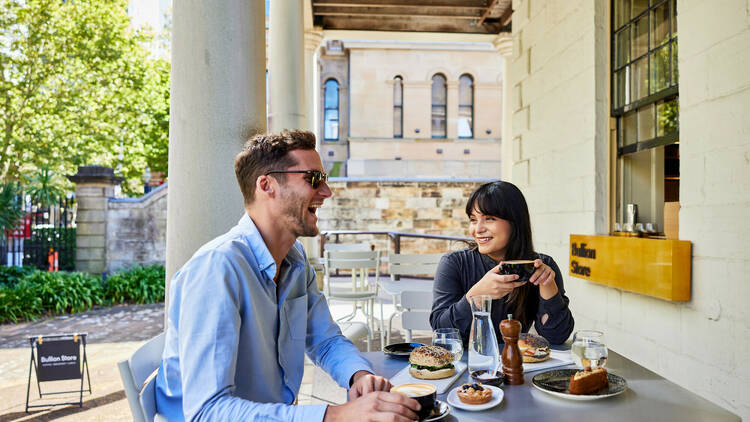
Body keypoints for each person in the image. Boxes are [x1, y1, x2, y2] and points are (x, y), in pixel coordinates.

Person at [155, 130, 419, 421]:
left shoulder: (294, 259)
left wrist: (359, 375)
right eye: (314, 179)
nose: (327, 192)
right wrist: (335, 415)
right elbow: (207, 411)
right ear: (267, 185)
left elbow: (324, 339)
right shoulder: (217, 270)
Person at [430, 181, 574, 345]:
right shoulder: (454, 263)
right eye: (473, 219)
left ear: (515, 222)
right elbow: (441, 332)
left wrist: (547, 284)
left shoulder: (541, 265)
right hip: (467, 365)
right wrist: (475, 296)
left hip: (518, 364)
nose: (477, 229)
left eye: (489, 218)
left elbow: (557, 337)